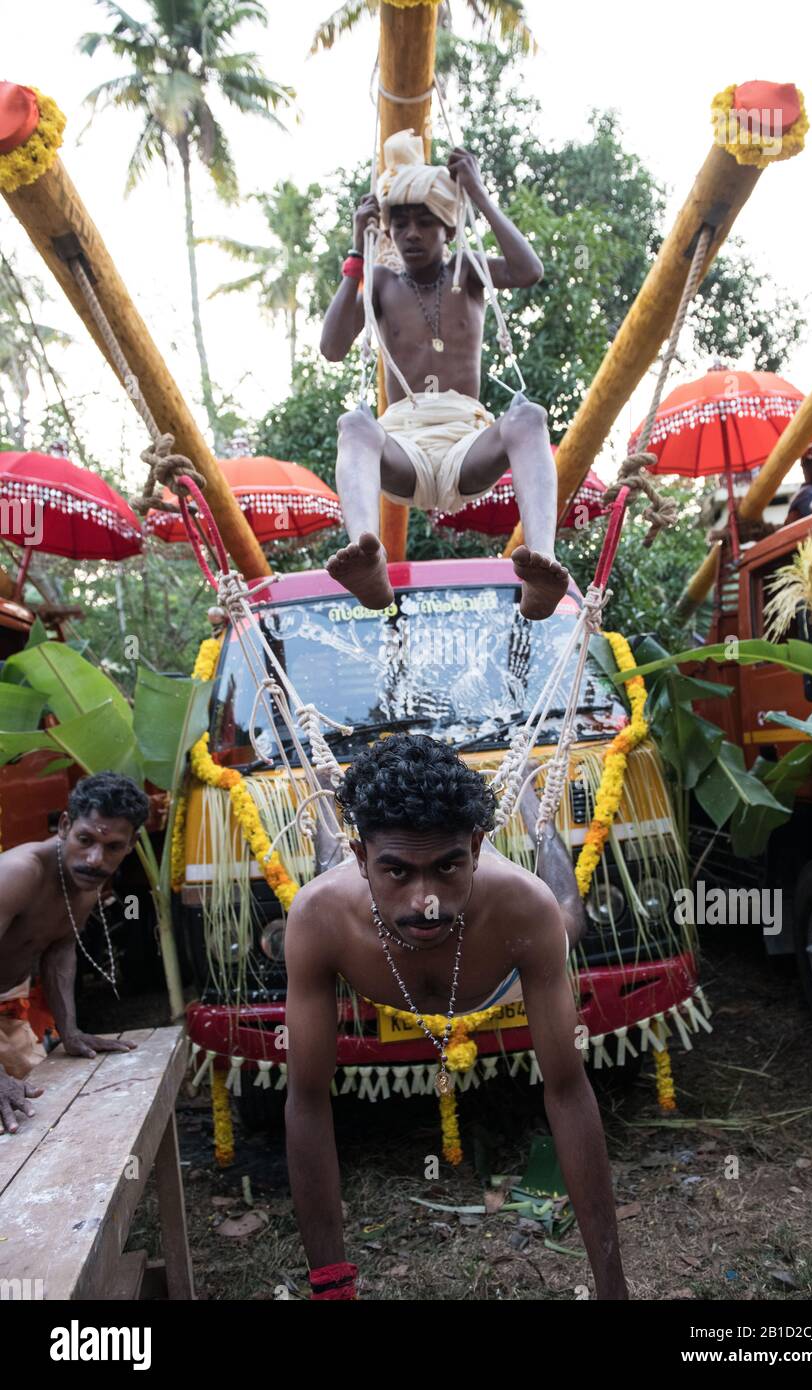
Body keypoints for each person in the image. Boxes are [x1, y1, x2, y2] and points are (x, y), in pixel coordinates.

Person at [284, 735, 628, 1301]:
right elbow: (306, 1098)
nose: (426, 900)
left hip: (506, 958)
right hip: (349, 896)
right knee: (325, 876)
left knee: (569, 918)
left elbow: (567, 1091)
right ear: (363, 856)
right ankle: (335, 825)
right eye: (396, 871)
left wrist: (612, 1290)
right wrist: (330, 1287)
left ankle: (536, 820)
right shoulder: (320, 916)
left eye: (448, 867)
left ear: (476, 844)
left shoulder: (523, 907)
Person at [319, 130, 570, 621]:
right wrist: (356, 252)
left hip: (465, 444)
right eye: (401, 224)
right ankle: (367, 557)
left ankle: (542, 564)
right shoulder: (381, 282)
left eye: (425, 223)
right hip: (403, 447)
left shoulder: (469, 272)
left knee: (528, 418)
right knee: (354, 425)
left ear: (448, 229)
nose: (411, 234)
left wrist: (476, 193)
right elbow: (331, 348)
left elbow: (528, 269)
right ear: (387, 232)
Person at [0, 771, 150, 1135]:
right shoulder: (19, 873)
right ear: (65, 825)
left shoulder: (85, 881)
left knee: (37, 1116)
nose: (95, 858)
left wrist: (70, 1031)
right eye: (85, 839)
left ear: (131, 845)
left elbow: (60, 947)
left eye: (113, 847)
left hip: (7, 1009)